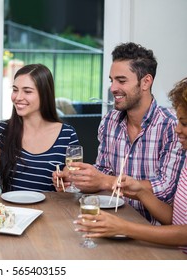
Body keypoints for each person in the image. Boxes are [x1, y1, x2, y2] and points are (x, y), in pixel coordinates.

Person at [56, 42, 185, 224]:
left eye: (121, 81)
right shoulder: (109, 121)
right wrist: (79, 178)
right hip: (112, 224)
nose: (113, 88)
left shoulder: (172, 126)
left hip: (154, 233)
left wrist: (105, 181)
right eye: (112, 80)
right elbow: (103, 170)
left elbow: (165, 187)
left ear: (146, 82)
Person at [74, 77, 187, 254]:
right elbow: (174, 219)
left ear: (145, 82)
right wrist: (140, 192)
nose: (177, 129)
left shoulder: (167, 126)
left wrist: (125, 227)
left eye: (184, 123)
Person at [0, 63, 79, 192]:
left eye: (27, 91)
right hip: (12, 211)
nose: (18, 97)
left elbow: (71, 183)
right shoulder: (2, 130)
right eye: (15, 90)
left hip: (50, 211)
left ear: (44, 94)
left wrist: (65, 183)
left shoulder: (67, 134)